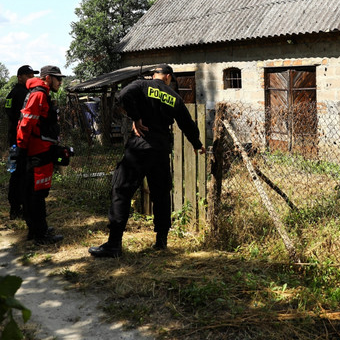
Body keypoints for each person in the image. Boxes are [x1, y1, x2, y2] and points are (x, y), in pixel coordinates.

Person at [89, 64, 204, 258]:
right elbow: (186, 123)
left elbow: (123, 95)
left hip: (140, 147)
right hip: (160, 150)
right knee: (161, 194)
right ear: (168, 77)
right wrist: (197, 143)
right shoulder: (174, 97)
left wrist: (136, 117)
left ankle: (114, 244)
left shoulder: (141, 85)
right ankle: (161, 242)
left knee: (122, 190)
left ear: (154, 76)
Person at [14, 65, 69, 245]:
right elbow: (26, 122)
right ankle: (41, 234)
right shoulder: (39, 94)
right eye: (57, 78)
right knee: (37, 195)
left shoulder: (41, 93)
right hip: (38, 152)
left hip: (40, 150)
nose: (60, 82)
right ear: (47, 78)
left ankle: (36, 229)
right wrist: (22, 148)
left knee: (34, 193)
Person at [4, 65, 37, 220]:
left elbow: (8, 112)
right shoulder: (24, 94)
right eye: (28, 75)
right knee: (22, 174)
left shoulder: (11, 94)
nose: (31, 78)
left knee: (15, 173)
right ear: (20, 77)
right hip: (21, 141)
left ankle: (15, 208)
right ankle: (20, 207)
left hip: (13, 141)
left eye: (32, 75)